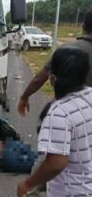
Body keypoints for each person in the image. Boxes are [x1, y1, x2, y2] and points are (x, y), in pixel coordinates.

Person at [17, 48, 92, 196]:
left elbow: (56, 163)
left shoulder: (59, 113)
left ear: (52, 79)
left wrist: (28, 183)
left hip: (74, 191)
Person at [18, 10, 92, 116]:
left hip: (67, 113)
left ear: (83, 26)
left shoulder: (66, 50)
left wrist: (24, 96)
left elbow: (39, 79)